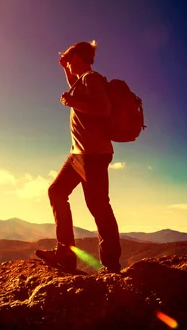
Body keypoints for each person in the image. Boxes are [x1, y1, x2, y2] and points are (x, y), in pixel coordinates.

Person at [35, 41, 122, 274]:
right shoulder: (83, 80)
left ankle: (111, 265)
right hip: (78, 154)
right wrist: (65, 69)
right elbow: (75, 86)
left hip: (92, 154)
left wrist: (72, 102)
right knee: (56, 191)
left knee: (98, 207)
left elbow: (103, 109)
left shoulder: (92, 78)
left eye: (71, 61)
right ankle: (65, 254)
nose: (70, 65)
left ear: (81, 58)